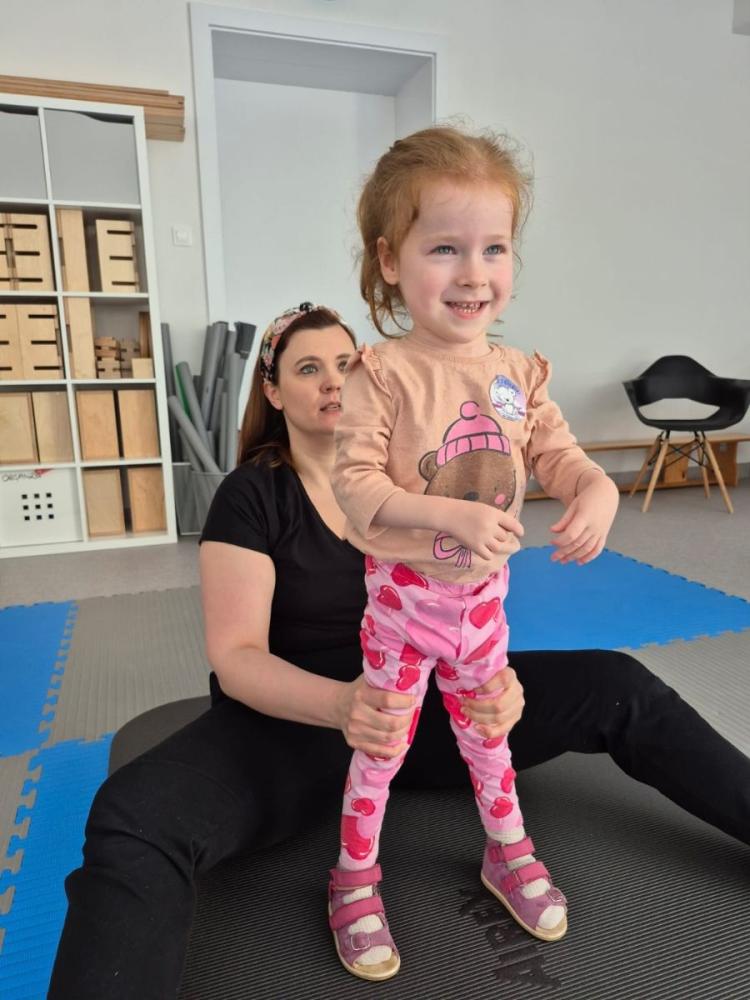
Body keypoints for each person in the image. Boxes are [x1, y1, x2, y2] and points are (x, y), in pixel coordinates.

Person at [47, 300, 750, 1000]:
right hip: (301, 723)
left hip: (426, 707)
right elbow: (236, 657)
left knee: (616, 683)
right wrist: (342, 706)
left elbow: (469, 603)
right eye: (308, 369)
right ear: (273, 393)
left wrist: (500, 680)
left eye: (345, 363)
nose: (333, 381)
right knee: (133, 817)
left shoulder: (421, 465)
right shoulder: (252, 495)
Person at [325, 125, 620, 981]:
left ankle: (507, 849)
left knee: (491, 730)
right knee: (381, 743)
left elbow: (560, 455)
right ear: (390, 261)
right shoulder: (382, 373)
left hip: (483, 608)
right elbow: (356, 486)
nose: (473, 273)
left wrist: (596, 490)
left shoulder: (518, 373)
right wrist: (446, 516)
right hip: (402, 607)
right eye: (444, 248)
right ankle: (352, 877)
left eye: (494, 248)